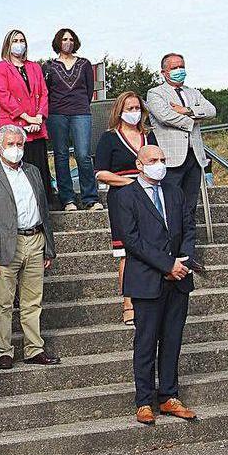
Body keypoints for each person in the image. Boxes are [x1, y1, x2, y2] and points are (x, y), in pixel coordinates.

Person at [110, 144, 197, 426]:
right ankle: (144, 400)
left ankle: (169, 395)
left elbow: (188, 228)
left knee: (172, 340)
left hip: (179, 279)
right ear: (139, 164)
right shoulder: (125, 196)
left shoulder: (174, 191)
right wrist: (166, 265)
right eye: (153, 160)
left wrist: (182, 261)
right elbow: (132, 240)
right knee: (146, 343)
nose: (159, 164)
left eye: (162, 159)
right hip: (147, 280)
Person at [0, 125, 58, 369]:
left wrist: (48, 247)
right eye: (10, 144)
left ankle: (34, 348)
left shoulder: (33, 171)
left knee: (33, 301)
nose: (16, 149)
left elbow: (44, 211)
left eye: (19, 144)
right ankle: (4, 351)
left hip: (35, 239)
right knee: (4, 303)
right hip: (5, 245)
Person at [94, 92, 158, 326]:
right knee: (126, 252)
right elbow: (100, 172)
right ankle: (128, 303)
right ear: (119, 111)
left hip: (151, 197)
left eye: (137, 107)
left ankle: (153, 298)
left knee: (154, 246)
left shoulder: (148, 137)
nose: (134, 112)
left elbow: (158, 162)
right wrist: (132, 183)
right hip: (122, 198)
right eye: (129, 108)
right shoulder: (109, 138)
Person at [145, 53, 216, 225]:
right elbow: (165, 117)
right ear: (164, 72)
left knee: (190, 206)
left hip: (194, 156)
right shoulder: (155, 93)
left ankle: (188, 247)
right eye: (174, 68)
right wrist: (193, 121)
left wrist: (186, 110)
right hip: (171, 158)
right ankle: (171, 244)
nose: (179, 70)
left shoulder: (194, 93)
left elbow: (211, 110)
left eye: (181, 67)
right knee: (171, 205)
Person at [0, 29, 54, 208]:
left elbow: (43, 93)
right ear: (7, 45)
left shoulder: (34, 66)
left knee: (39, 169)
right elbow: (4, 96)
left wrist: (39, 117)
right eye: (15, 40)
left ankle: (44, 207)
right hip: (15, 127)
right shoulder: (0, 68)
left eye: (22, 40)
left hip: (37, 127)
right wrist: (27, 119)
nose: (19, 43)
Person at [43, 28, 99, 211]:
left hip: (80, 112)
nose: (68, 42)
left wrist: (80, 105)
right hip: (57, 113)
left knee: (83, 155)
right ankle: (68, 199)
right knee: (61, 155)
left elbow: (89, 90)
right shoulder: (49, 66)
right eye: (65, 39)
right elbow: (46, 92)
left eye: (71, 39)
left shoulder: (84, 64)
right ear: (58, 42)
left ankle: (90, 197)